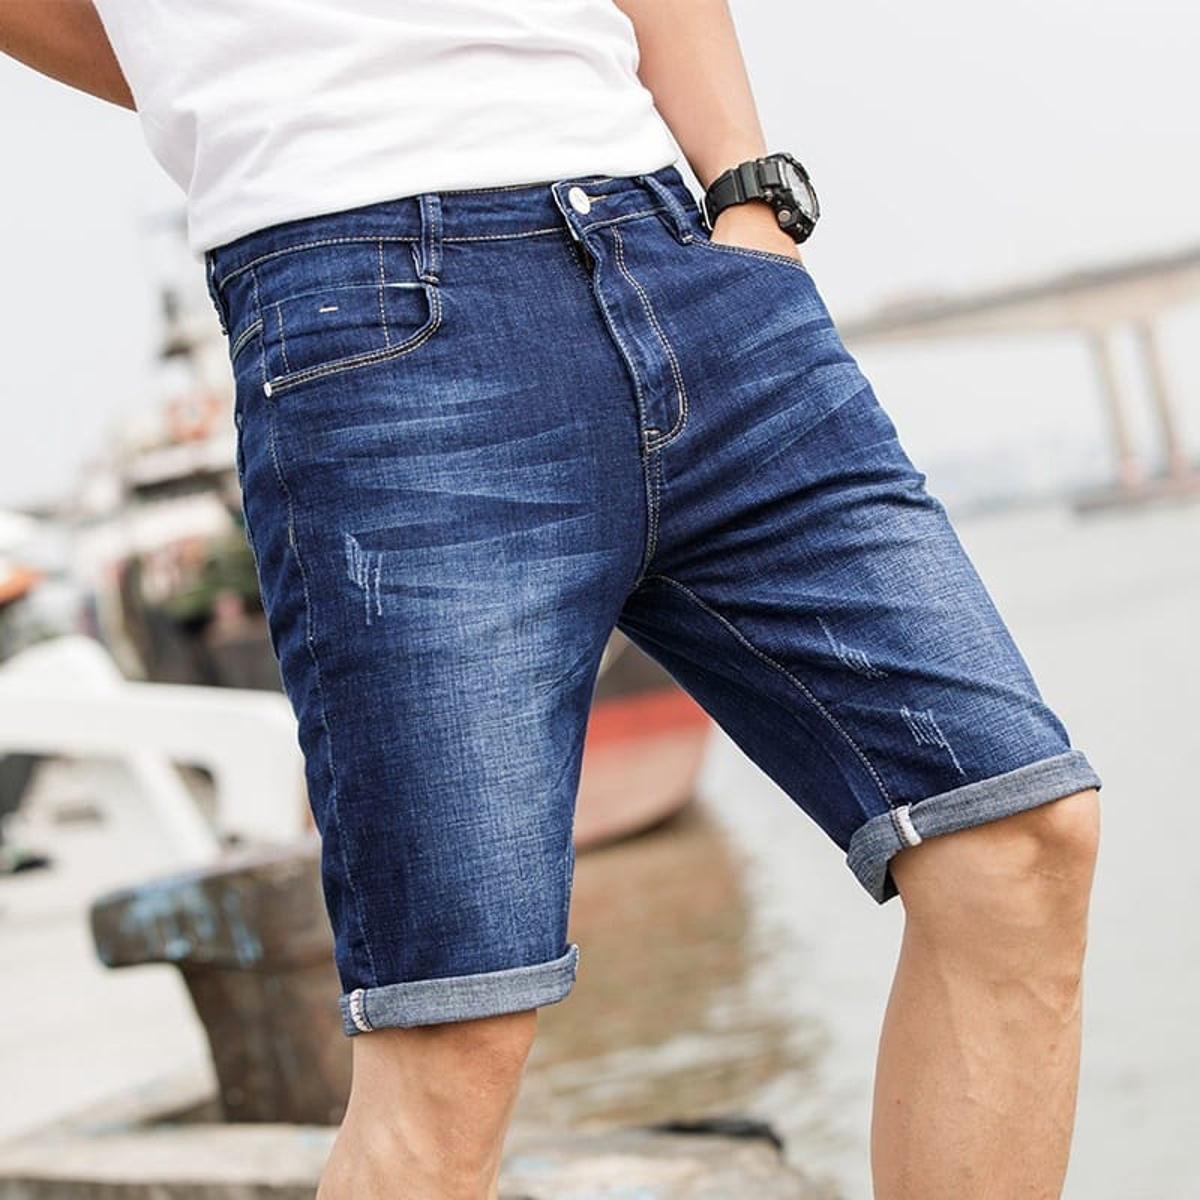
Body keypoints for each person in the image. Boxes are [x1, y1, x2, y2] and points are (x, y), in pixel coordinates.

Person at [3, 3, 1102, 1197]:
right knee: (452, 1035)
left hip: (681, 254)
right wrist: (223, 76)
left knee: (1014, 838)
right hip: (370, 299)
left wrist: (747, 192)